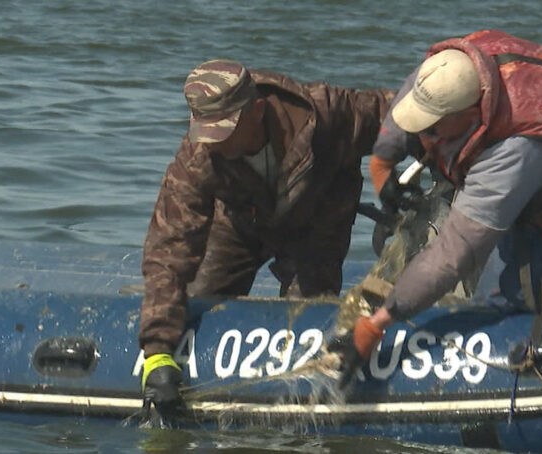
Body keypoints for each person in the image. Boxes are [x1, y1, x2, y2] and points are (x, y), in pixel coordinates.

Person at [332, 30, 542, 385]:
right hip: (541, 184)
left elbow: (453, 254)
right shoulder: (452, 70)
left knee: (511, 295)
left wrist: (377, 324)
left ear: (471, 112)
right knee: (487, 284)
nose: (426, 130)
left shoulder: (516, 151)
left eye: (434, 123)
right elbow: (413, 97)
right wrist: (381, 166)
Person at [139, 59, 394, 417]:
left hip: (316, 226)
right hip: (242, 223)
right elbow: (169, 248)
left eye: (224, 131)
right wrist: (157, 354)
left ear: (257, 110)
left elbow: (406, 115)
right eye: (206, 132)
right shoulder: (200, 155)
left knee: (307, 315)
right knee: (199, 298)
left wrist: (404, 173)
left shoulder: (328, 112)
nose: (214, 143)